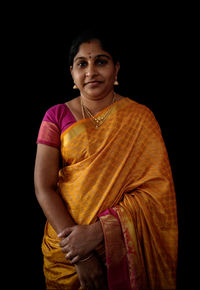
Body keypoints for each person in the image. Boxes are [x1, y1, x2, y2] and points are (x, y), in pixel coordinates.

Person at [34, 29, 178, 290]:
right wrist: (80, 253)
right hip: (65, 251)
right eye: (82, 64)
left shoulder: (140, 118)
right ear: (72, 74)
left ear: (116, 69)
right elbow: (43, 187)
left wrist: (97, 233)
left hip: (121, 246)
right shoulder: (55, 116)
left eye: (101, 61)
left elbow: (155, 194)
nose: (91, 71)